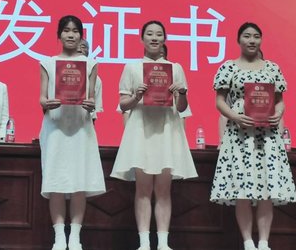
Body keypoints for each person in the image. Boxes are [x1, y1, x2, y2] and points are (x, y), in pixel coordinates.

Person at [210, 22, 296, 250]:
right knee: (242, 189)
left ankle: (264, 242)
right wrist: (235, 116)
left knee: (266, 189)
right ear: (238, 40)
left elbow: (280, 101)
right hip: (239, 134)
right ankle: (248, 242)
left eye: (256, 36)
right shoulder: (228, 67)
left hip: (267, 136)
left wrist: (278, 113)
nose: (252, 40)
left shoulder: (272, 68)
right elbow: (220, 101)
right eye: (247, 36)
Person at [111, 21, 197, 250]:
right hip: (141, 130)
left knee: (163, 190)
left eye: (159, 34)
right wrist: (136, 96)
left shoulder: (175, 68)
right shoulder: (132, 67)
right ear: (142, 39)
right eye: (149, 34)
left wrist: (181, 93)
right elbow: (123, 104)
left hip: (167, 131)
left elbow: (181, 107)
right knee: (142, 189)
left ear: (164, 39)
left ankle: (163, 243)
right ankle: (144, 243)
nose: (154, 38)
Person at [39, 15, 105, 250]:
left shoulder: (90, 64)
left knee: (79, 182)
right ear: (59, 35)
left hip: (81, 128)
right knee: (56, 182)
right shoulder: (48, 63)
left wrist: (90, 104)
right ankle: (59, 236)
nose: (71, 34)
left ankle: (75, 236)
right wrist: (47, 102)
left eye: (75, 31)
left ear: (81, 35)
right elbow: (42, 98)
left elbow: (92, 98)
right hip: (55, 127)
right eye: (66, 30)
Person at [77, 39, 103, 121]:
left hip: (86, 121)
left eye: (83, 47)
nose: (79, 49)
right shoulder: (59, 72)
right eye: (77, 46)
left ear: (88, 52)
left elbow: (95, 109)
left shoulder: (96, 79)